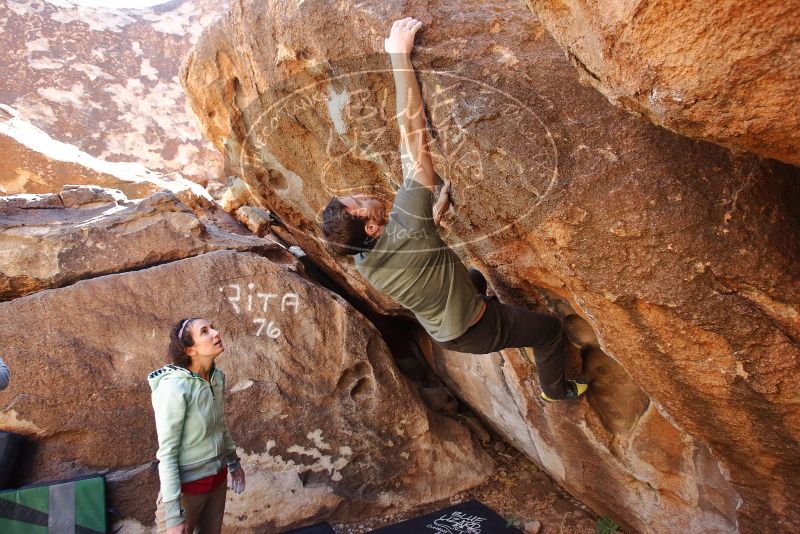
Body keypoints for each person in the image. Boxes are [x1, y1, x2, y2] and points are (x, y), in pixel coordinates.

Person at [321, 18, 587, 402]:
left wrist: (432, 219)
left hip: (443, 328)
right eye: (358, 203)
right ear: (371, 228)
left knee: (475, 276)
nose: (362, 194)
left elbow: (412, 248)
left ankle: (488, 306)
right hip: (478, 328)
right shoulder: (408, 223)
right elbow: (411, 132)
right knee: (548, 332)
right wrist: (398, 56)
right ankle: (555, 391)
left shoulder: (363, 258)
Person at [149, 318, 246, 533]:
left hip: (217, 483)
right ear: (190, 350)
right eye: (204, 331)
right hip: (186, 492)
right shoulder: (173, 387)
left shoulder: (216, 378)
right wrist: (173, 515)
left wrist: (233, 463)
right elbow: (167, 453)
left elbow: (220, 425)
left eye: (212, 327)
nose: (215, 332)